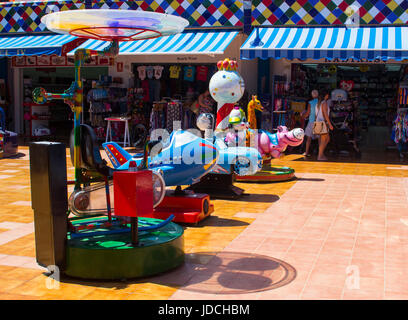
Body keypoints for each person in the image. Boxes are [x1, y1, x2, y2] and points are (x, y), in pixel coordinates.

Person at [315, 90, 334, 161]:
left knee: (322, 140)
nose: (328, 96)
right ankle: (320, 156)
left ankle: (321, 153)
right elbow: (325, 115)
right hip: (323, 122)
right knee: (324, 140)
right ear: (325, 95)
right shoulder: (324, 103)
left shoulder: (318, 103)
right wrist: (330, 124)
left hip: (318, 122)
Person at [302, 89, 319, 156]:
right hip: (319, 121)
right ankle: (320, 152)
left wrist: (303, 116)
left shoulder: (310, 103)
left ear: (312, 95)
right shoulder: (321, 102)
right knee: (319, 138)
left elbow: (308, 113)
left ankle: (306, 152)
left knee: (308, 137)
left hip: (311, 121)